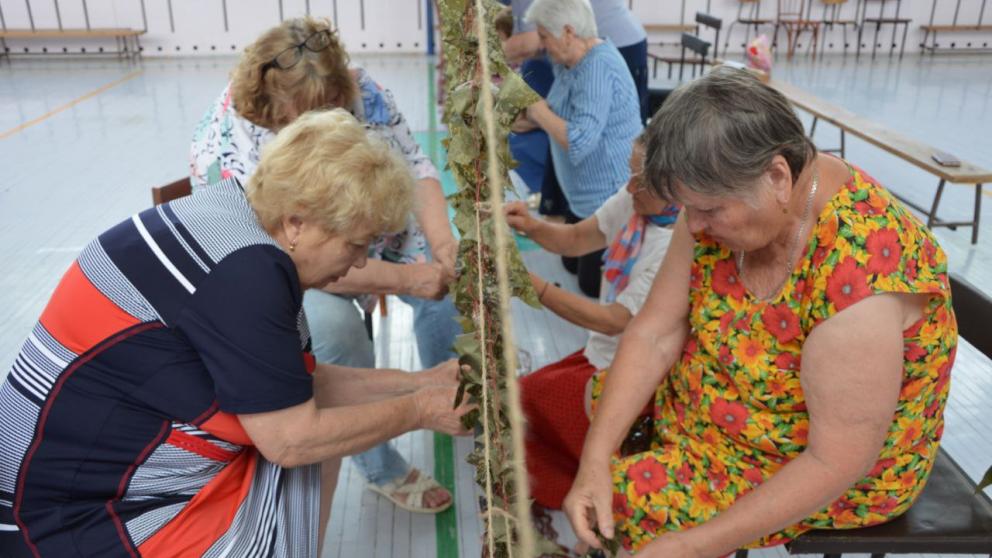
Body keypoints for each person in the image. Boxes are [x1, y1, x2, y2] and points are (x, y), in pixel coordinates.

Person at [0, 110, 473, 558]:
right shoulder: (248, 272)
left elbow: (290, 383)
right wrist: (420, 410)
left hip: (73, 473)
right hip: (68, 517)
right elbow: (291, 440)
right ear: (296, 221)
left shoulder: (234, 214)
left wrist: (423, 380)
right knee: (315, 445)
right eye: (354, 244)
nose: (359, 262)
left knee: (326, 429)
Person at [562, 67, 959, 557]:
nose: (696, 227)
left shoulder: (861, 277)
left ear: (776, 176)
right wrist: (594, 461)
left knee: (631, 501)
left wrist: (692, 546)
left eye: (708, 211)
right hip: (731, 406)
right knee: (596, 416)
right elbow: (654, 334)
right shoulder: (730, 192)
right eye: (688, 210)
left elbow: (836, 461)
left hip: (825, 462)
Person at [189, 17, 460, 513]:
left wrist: (440, 244)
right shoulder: (227, 145)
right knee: (336, 334)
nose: (329, 122)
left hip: (363, 227)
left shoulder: (365, 91)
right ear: (273, 109)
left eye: (335, 107)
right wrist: (407, 277)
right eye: (306, 117)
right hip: (289, 264)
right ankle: (380, 465)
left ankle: (457, 392)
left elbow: (417, 166)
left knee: (448, 291)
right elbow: (287, 258)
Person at [505, 136, 678, 510]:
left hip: (633, 372)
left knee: (526, 399)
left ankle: (583, 489)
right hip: (601, 353)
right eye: (630, 174)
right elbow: (578, 237)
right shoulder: (637, 204)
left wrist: (536, 288)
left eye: (642, 181)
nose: (630, 186)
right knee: (527, 395)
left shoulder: (674, 248)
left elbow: (613, 321)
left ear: (679, 188)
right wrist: (531, 226)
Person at [522, 0, 643, 298]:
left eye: (544, 36)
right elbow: (554, 111)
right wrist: (517, 117)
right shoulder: (568, 62)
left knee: (591, 286)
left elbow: (578, 142)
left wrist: (537, 112)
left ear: (567, 32)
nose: (542, 45)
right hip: (581, 201)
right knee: (570, 264)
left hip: (609, 199)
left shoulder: (597, 67)